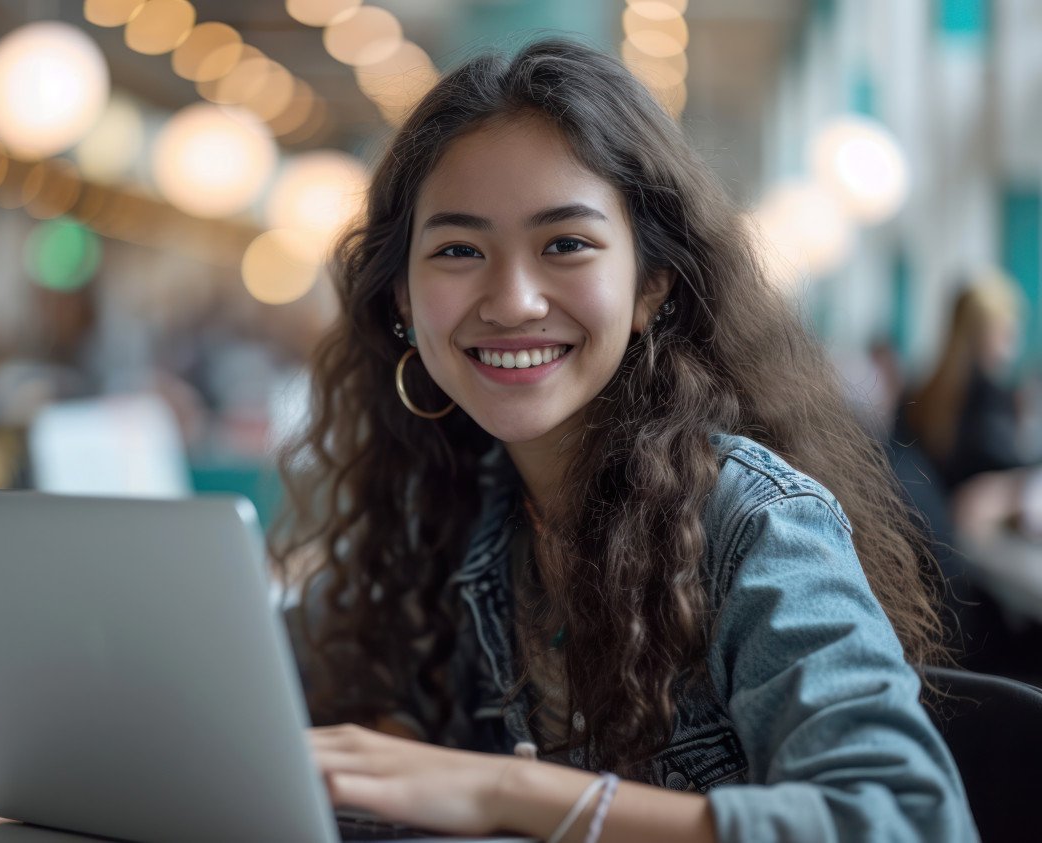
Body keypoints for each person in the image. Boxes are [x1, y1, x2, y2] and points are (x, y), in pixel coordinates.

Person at [274, 39, 975, 842]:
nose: (512, 301)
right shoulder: (447, 498)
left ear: (652, 283)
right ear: (403, 294)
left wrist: (504, 791)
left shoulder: (754, 523)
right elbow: (263, 673)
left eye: (565, 244)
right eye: (458, 250)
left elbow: (908, 822)